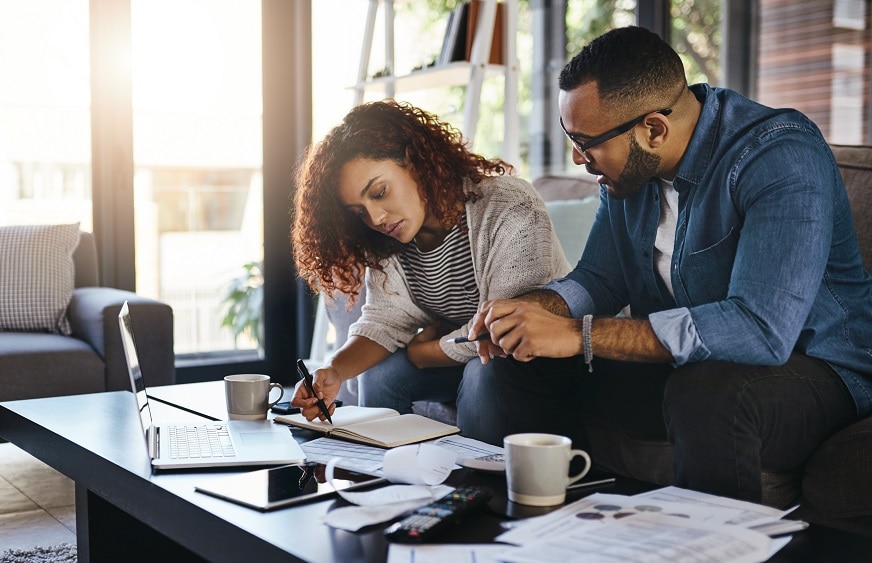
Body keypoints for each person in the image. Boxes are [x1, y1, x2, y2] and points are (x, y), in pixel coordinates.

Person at [469, 26, 872, 503]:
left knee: (706, 390)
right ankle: (545, 523)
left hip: (819, 372)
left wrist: (580, 335)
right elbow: (599, 279)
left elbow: (761, 329)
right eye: (570, 137)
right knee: (515, 364)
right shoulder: (627, 174)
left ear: (654, 129)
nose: (577, 158)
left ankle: (711, 541)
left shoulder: (778, 155)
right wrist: (530, 313)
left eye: (586, 141)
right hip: (687, 370)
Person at [289, 100, 571, 445]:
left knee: (482, 373)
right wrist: (333, 370)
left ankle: (474, 478)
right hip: (467, 354)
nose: (375, 218)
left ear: (415, 162)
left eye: (379, 192)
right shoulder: (389, 240)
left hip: (527, 361)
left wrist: (424, 354)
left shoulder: (508, 205)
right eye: (359, 211)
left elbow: (500, 330)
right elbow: (384, 322)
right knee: (379, 375)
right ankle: (384, 472)